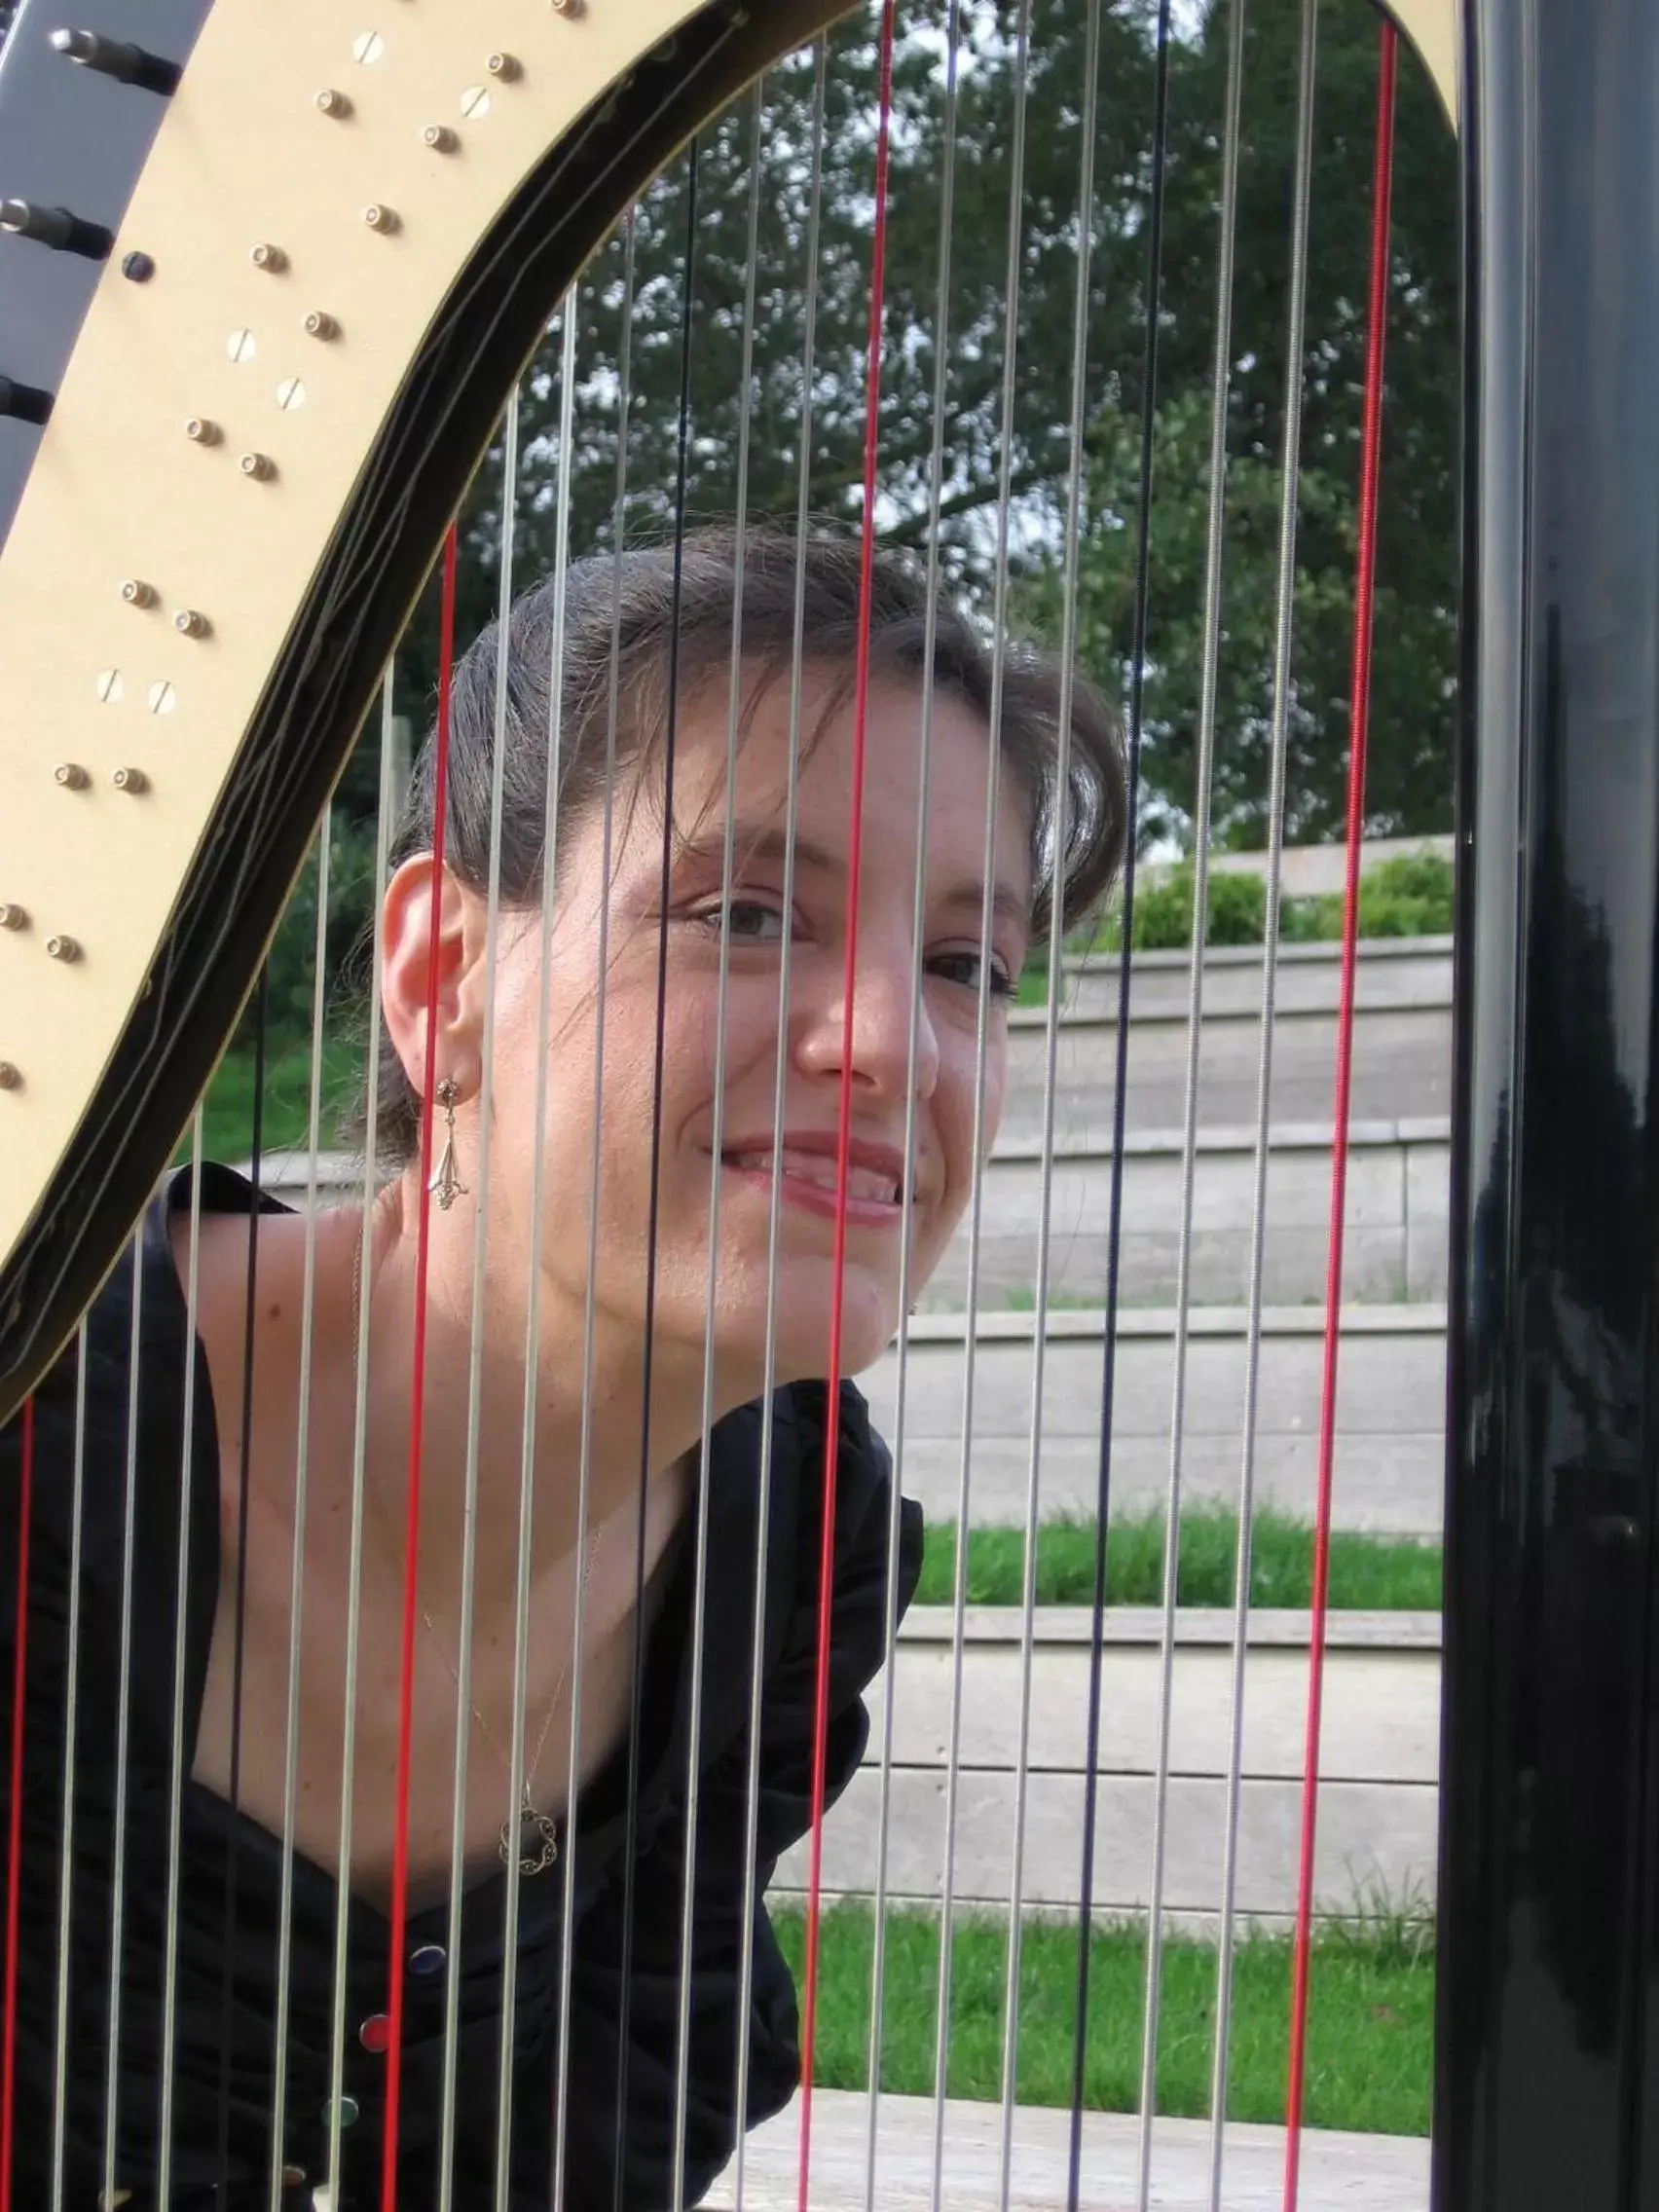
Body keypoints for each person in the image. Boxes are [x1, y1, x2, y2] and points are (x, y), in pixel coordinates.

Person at [0, 523, 1125, 2207]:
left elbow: (609, 2125)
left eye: (971, 966)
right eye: (749, 913)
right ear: (442, 979)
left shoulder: (794, 1544)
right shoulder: (42, 1430)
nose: (895, 1048)